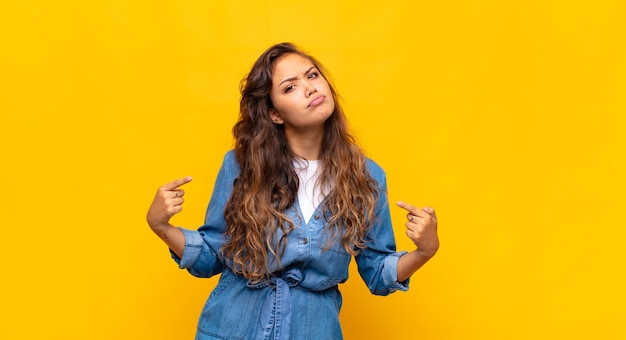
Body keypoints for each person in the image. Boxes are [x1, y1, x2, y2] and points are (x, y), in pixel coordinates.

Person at [146, 42, 439, 340]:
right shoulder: (242, 165)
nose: (309, 88)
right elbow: (212, 255)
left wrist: (425, 251)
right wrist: (160, 226)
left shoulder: (368, 177)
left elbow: (378, 274)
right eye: (290, 87)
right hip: (231, 328)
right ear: (274, 114)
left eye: (312, 76)